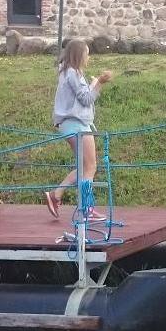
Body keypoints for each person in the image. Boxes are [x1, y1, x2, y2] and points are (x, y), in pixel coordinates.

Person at [46, 40, 114, 219]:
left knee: (83, 166)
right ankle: (86, 208)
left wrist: (93, 84)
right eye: (87, 53)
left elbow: (78, 97)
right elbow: (85, 99)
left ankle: (56, 195)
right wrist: (100, 82)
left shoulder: (66, 72)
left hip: (69, 124)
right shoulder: (73, 73)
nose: (88, 57)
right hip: (77, 125)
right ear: (79, 55)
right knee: (90, 166)